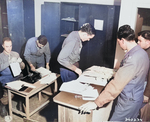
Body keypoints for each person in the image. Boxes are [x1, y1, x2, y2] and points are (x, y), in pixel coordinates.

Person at [79, 25, 149, 121]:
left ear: (123, 40)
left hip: (128, 101)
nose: (119, 45)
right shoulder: (142, 53)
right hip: (135, 97)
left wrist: (96, 103)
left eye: (118, 42)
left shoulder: (133, 59)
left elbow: (116, 85)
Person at [0, 37, 25, 117]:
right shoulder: (1, 56)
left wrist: (21, 62)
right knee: (7, 96)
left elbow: (23, 67)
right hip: (6, 79)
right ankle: (3, 106)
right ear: (3, 46)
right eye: (7, 46)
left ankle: (20, 104)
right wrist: (9, 62)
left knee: (23, 91)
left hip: (17, 77)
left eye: (10, 46)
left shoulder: (15, 54)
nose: (9, 48)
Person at [137, 30, 150, 121]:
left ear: (148, 42)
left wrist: (146, 94)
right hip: (141, 83)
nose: (138, 43)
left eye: (140, 41)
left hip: (145, 86)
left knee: (142, 111)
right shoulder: (143, 51)